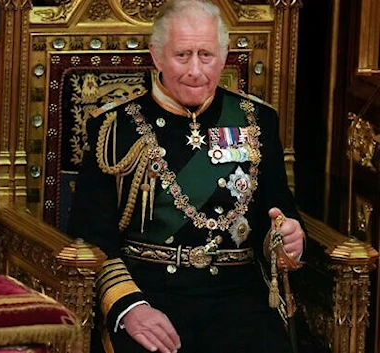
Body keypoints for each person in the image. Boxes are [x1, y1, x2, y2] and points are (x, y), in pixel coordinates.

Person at [67, 0, 306, 352]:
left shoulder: (256, 120)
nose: (196, 70)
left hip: (237, 298)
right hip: (150, 294)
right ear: (157, 55)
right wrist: (129, 308)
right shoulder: (113, 128)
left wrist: (289, 238)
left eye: (206, 55)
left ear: (224, 56)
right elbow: (89, 234)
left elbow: (279, 210)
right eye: (182, 55)